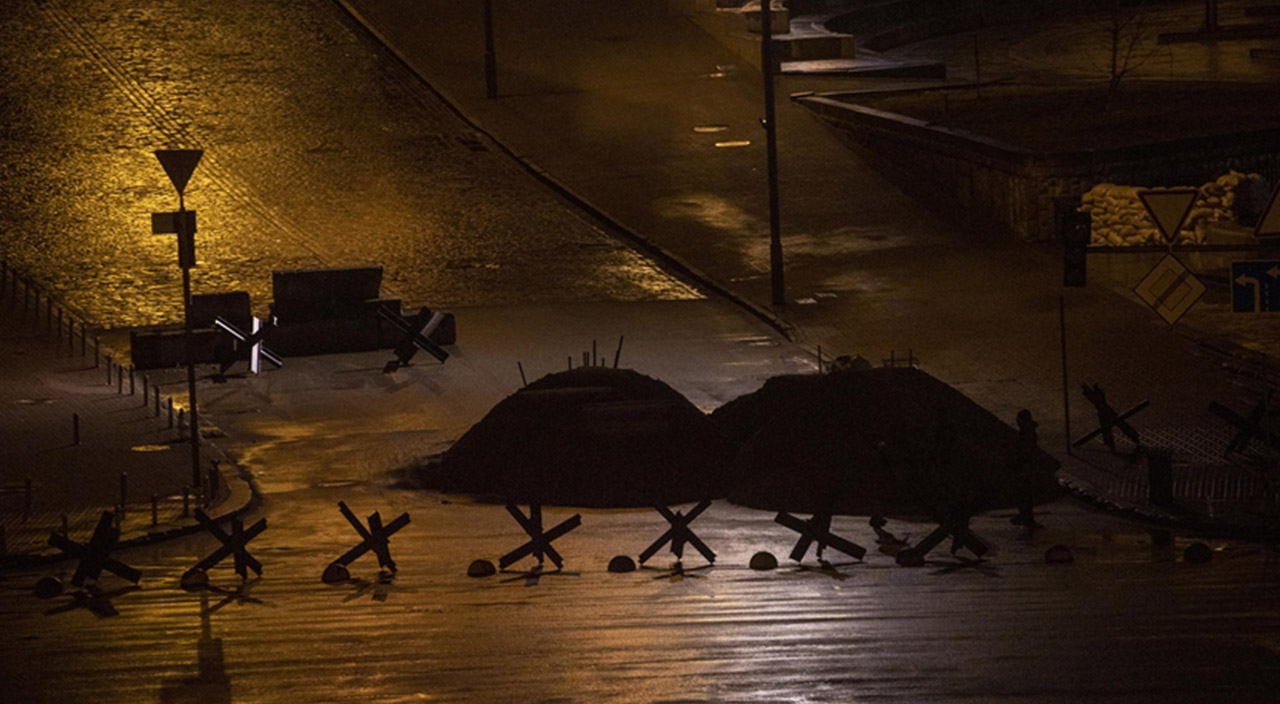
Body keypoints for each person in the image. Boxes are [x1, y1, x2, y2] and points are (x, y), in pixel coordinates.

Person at [1010, 409, 1042, 529]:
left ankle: (1026, 516)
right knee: (1023, 493)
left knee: (1024, 492)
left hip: (1024, 466)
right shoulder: (1028, 432)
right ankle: (1025, 515)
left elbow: (1024, 451)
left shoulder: (1026, 434)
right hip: (1025, 466)